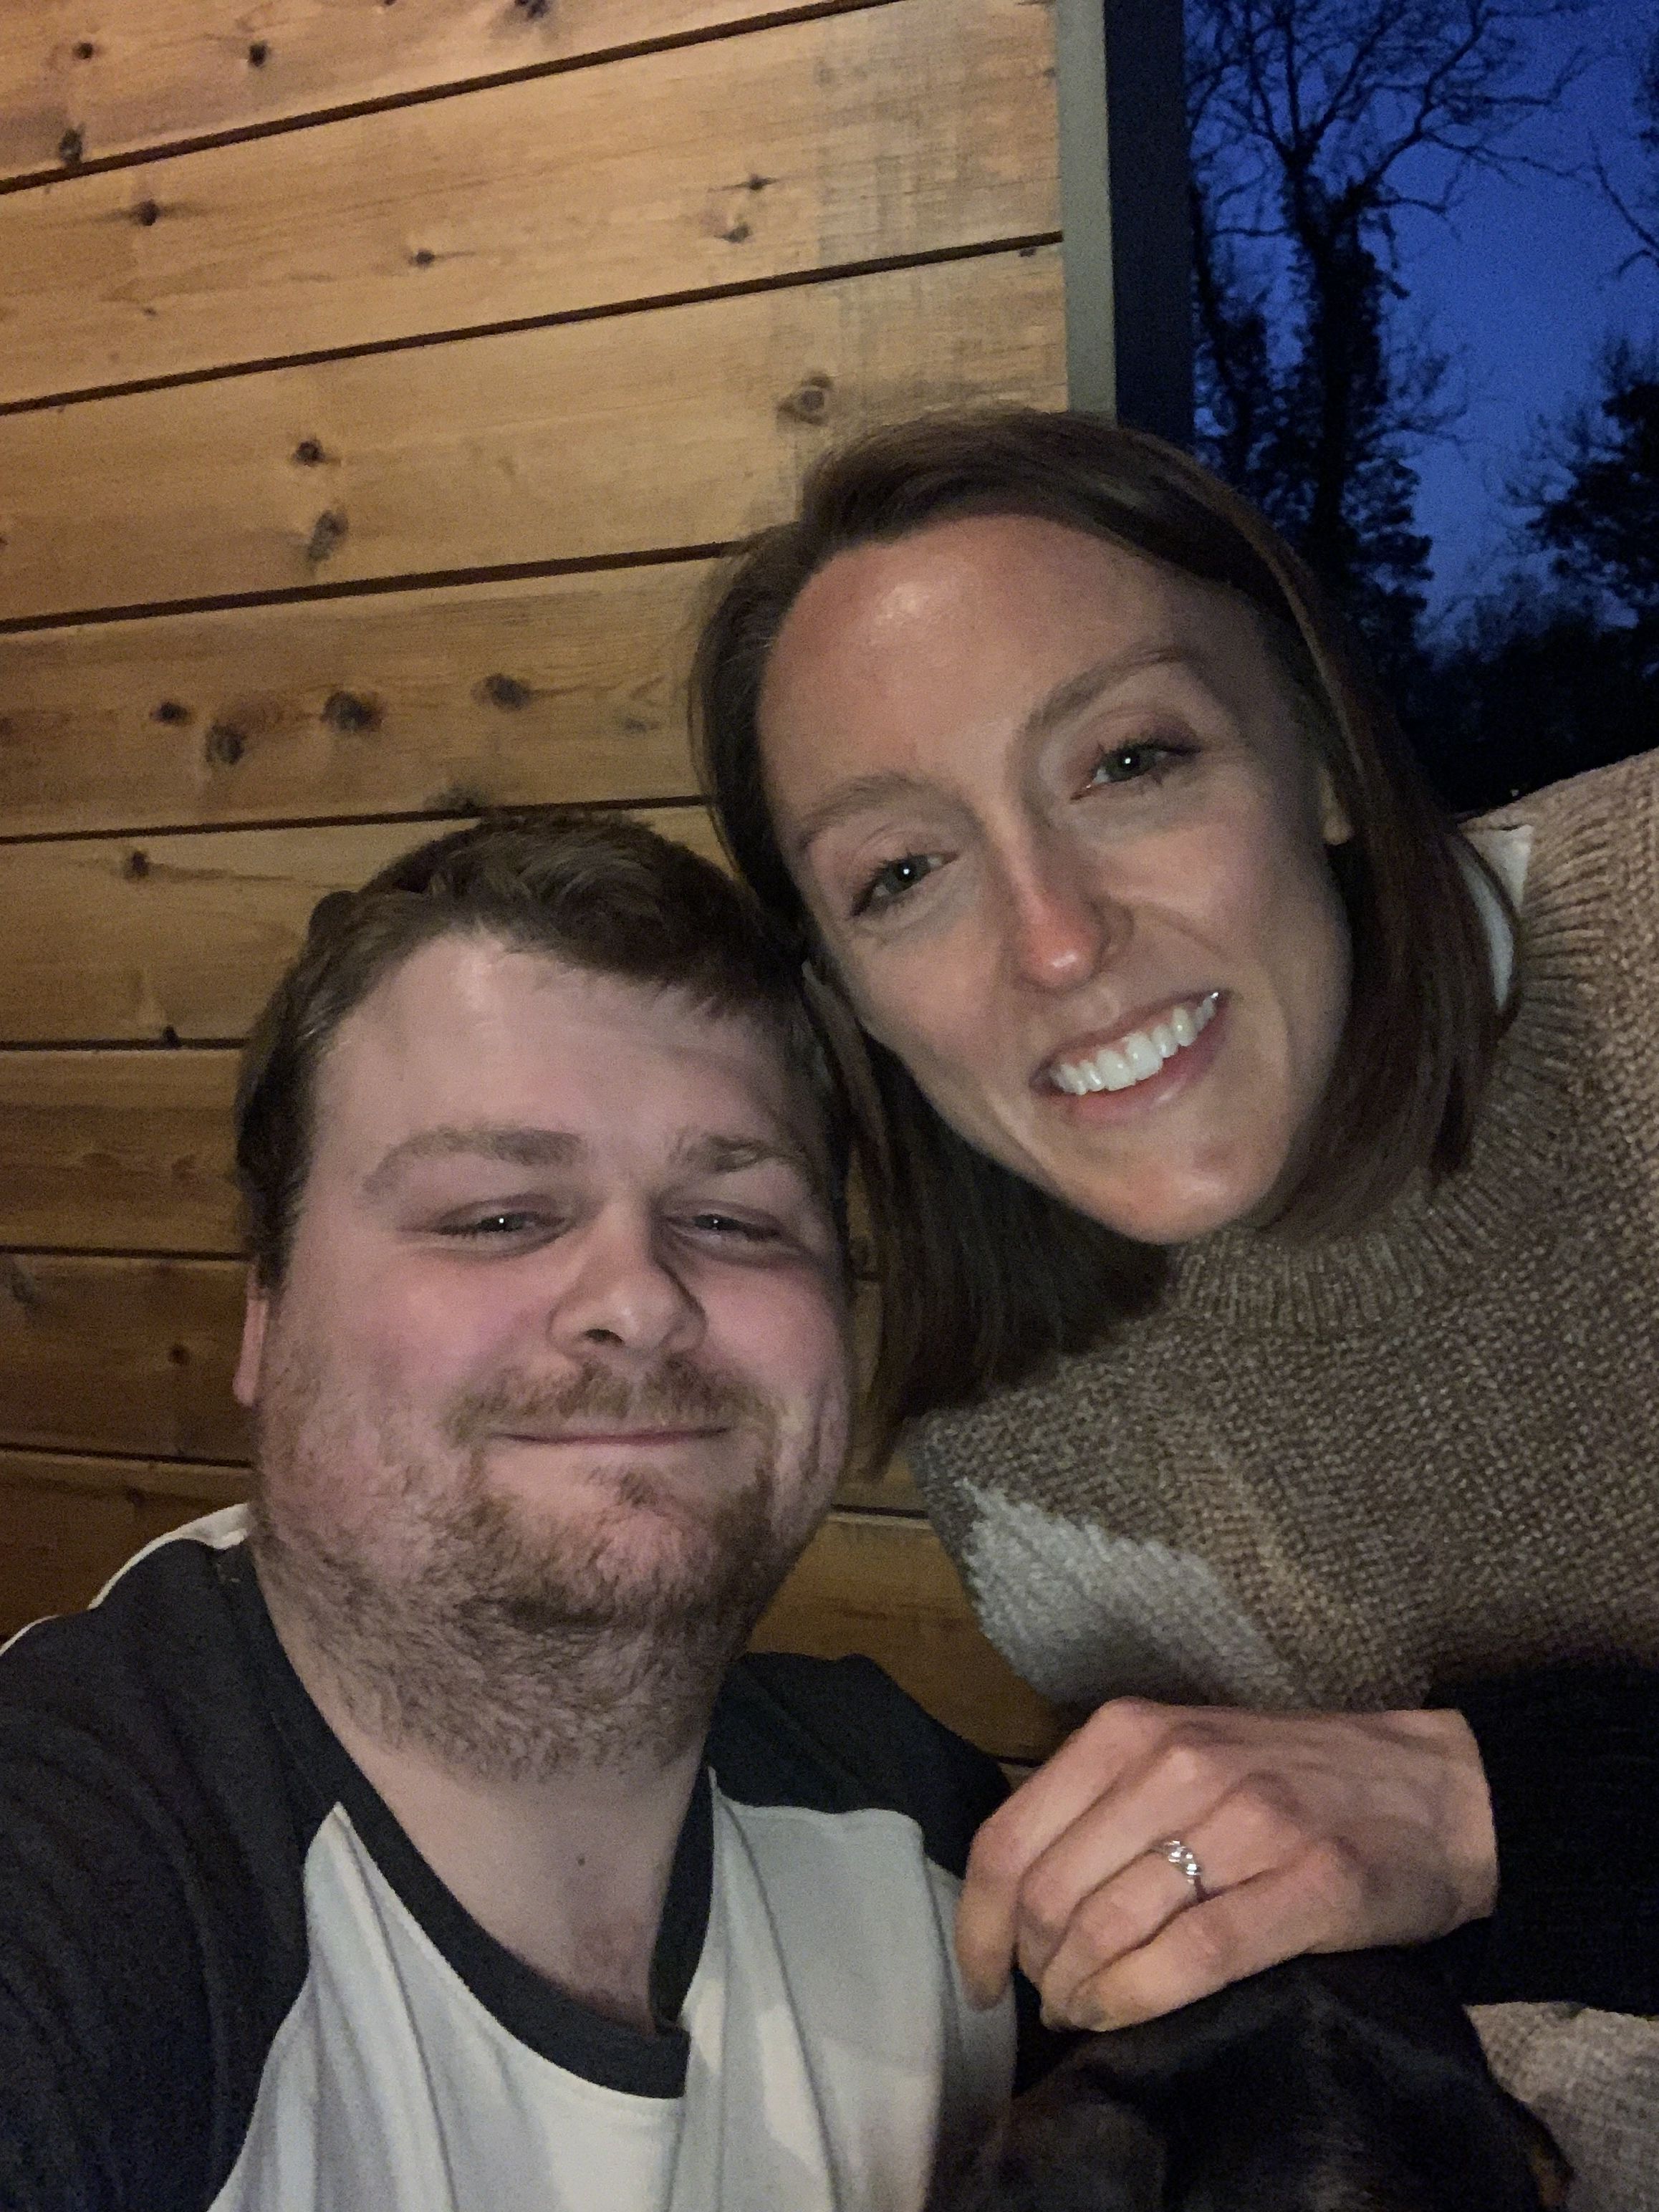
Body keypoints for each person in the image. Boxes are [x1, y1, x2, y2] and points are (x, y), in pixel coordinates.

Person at [692, 408, 1659, 2175]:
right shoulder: (1015, 1444)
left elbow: (1470, 1863)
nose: (1056, 942)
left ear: (1318, 751)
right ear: (853, 1000)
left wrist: (1486, 1808)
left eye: (1129, 761)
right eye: (903, 874)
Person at [0, 814, 1028, 2210]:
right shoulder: (86, 1879)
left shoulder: (907, 1820)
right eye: (494, 1213)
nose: (640, 1295)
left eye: (735, 1218)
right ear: (266, 1315)